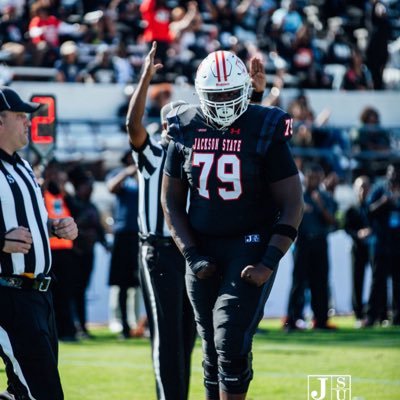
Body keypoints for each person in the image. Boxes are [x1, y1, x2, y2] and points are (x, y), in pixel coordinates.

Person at [161, 49, 303, 399]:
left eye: (230, 93)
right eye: (216, 95)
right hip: (202, 244)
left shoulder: (264, 127)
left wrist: (268, 262)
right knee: (211, 345)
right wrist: (191, 254)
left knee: (229, 338)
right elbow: (171, 202)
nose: (224, 102)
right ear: (199, 94)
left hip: (249, 244)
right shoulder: (184, 126)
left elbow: (292, 204)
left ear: (244, 91)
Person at [126, 42, 197, 400]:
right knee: (167, 337)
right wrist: (145, 77)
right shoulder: (152, 153)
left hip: (189, 252)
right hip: (158, 251)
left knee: (187, 337)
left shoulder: (193, 158)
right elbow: (132, 124)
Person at [0, 87, 78, 400]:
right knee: (44, 392)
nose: (28, 122)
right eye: (20, 116)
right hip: (9, 294)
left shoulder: (21, 166)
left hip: (39, 296)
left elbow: (30, 221)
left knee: (22, 392)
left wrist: (54, 227)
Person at [285, 163, 337, 332]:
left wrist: (320, 205)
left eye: (317, 177)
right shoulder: (298, 196)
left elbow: (333, 221)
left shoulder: (325, 197)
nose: (313, 180)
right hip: (303, 242)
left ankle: (321, 319)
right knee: (299, 282)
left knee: (320, 282)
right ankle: (293, 319)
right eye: (311, 176)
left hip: (320, 242)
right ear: (305, 177)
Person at [106, 150, 142, 339]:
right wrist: (128, 171)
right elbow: (111, 188)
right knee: (121, 283)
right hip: (123, 234)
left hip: (141, 234)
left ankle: (142, 323)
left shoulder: (145, 174)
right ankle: (124, 326)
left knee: (141, 282)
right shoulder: (120, 174)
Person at [364, 164, 400, 327]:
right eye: (391, 172)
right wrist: (384, 202)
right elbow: (369, 210)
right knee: (378, 282)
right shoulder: (380, 190)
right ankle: (372, 316)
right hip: (381, 243)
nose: (393, 176)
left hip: (397, 244)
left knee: (398, 282)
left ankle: (397, 317)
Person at [344, 175, 373, 327]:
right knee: (357, 280)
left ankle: (375, 312)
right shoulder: (352, 209)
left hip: (374, 248)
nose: (364, 190)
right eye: (361, 187)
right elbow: (347, 228)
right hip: (357, 248)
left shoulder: (374, 207)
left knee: (377, 280)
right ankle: (358, 313)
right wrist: (358, 234)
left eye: (366, 187)